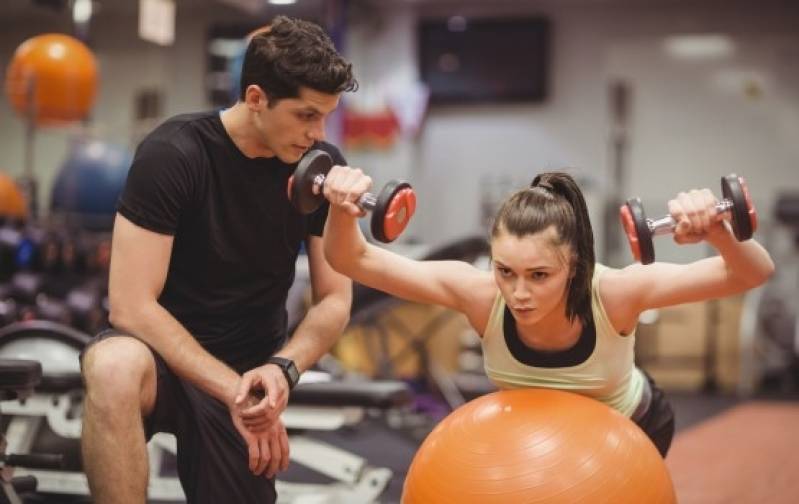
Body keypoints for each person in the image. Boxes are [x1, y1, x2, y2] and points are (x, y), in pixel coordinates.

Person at [79, 16, 358, 504]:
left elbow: (334, 299)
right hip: (165, 360)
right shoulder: (175, 154)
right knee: (112, 366)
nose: (318, 133)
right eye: (306, 115)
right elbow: (129, 306)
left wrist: (282, 370)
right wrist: (236, 391)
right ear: (255, 99)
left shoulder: (319, 167)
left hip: (251, 368)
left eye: (326, 117)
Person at [321, 169, 774, 457]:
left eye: (539, 275)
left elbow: (751, 273)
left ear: (574, 265)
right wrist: (342, 209)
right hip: (533, 438)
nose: (518, 293)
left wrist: (719, 233)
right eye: (506, 271)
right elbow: (353, 261)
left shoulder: (615, 293)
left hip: (629, 433)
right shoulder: (479, 295)